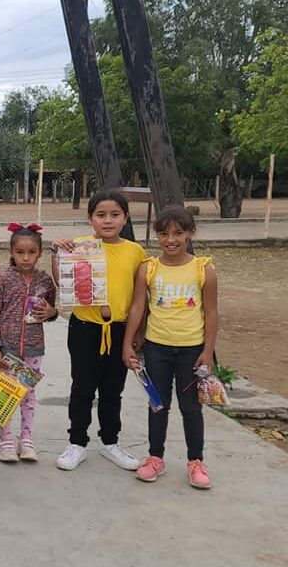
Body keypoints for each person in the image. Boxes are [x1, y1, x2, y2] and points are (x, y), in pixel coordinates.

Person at [123, 206, 218, 489]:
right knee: (157, 405)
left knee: (191, 408)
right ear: (157, 236)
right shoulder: (149, 268)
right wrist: (128, 343)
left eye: (178, 233)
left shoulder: (204, 269)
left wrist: (207, 351)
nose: (171, 240)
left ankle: (195, 461)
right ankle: (155, 457)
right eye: (164, 234)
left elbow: (211, 312)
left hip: (191, 350)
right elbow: (138, 306)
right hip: (156, 349)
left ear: (191, 233)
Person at [53, 190, 146, 472]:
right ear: (90, 219)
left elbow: (140, 299)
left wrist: (136, 335)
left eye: (115, 215)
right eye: (101, 215)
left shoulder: (135, 252)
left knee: (112, 389)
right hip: (84, 329)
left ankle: (110, 442)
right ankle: (77, 443)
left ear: (125, 218)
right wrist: (58, 254)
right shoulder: (80, 247)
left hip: (119, 331)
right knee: (82, 387)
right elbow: (63, 283)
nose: (108, 220)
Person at [0, 224, 58, 463]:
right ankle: (5, 440)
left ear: (40, 253)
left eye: (31, 252)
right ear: (12, 252)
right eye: (20, 252)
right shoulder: (4, 280)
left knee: (28, 394)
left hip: (33, 348)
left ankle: (26, 439)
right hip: (7, 349)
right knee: (6, 394)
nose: (26, 258)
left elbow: (52, 310)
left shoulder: (45, 281)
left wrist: (52, 311)